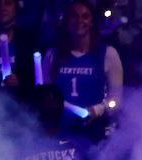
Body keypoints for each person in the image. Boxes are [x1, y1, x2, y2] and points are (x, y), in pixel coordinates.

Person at [44, 0, 124, 137]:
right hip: (61, 130)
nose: (79, 21)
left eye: (85, 16)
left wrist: (96, 110)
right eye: (74, 16)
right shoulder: (52, 55)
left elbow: (116, 98)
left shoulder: (108, 54)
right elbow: (45, 93)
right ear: (67, 21)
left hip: (95, 130)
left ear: (92, 22)